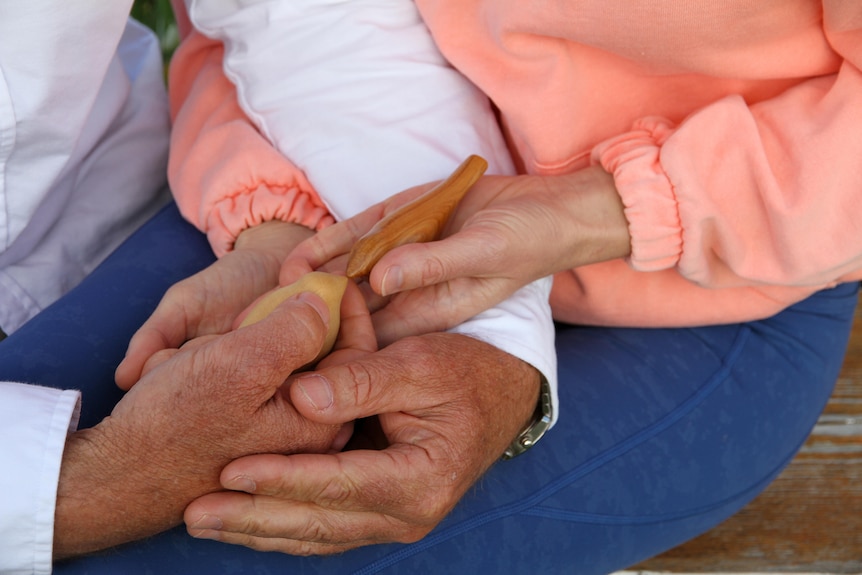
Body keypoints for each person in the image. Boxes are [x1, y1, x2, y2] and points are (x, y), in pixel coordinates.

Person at [76, 1, 859, 574]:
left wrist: (616, 209)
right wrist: (277, 223)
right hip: (313, 184)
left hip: (719, 284)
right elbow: (291, 15)